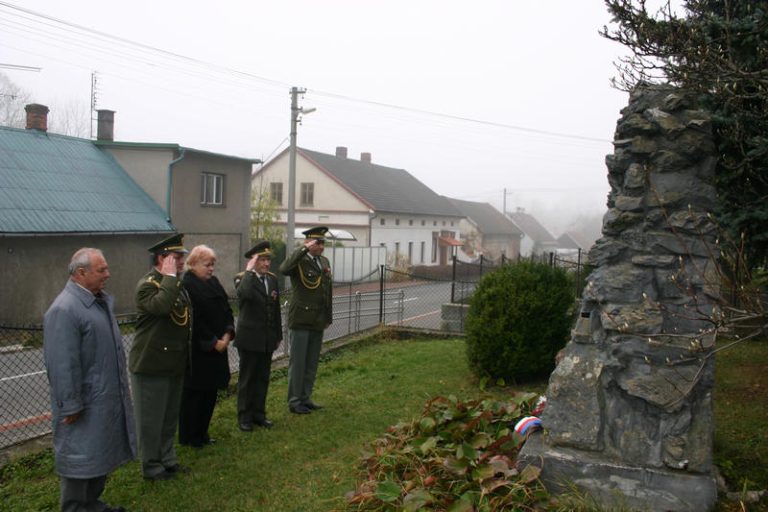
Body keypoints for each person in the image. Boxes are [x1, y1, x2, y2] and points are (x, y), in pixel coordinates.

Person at [43, 248, 135, 512]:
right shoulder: (65, 309)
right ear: (81, 273)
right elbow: (62, 364)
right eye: (101, 270)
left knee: (97, 457)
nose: (108, 274)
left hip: (101, 400)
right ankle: (75, 507)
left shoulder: (96, 302)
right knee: (79, 460)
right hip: (82, 405)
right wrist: (70, 405)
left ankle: (92, 505)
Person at [129, 233, 192, 481]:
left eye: (181, 257)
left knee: (168, 417)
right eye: (176, 257)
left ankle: (167, 459)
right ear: (162, 259)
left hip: (173, 362)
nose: (181, 262)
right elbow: (162, 307)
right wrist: (169, 277)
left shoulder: (173, 283)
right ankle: (151, 466)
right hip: (151, 364)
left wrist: (171, 279)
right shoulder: (148, 285)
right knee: (151, 421)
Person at [179, 245, 235, 446]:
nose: (211, 269)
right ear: (193, 264)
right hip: (200, 351)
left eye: (212, 265)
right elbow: (194, 320)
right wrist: (213, 342)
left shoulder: (214, 283)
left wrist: (228, 333)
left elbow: (227, 308)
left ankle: (202, 432)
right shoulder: (187, 285)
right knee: (195, 396)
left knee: (210, 394)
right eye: (206, 265)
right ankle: (189, 436)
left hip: (219, 346)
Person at [279, 226, 333, 414]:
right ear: (309, 243)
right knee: (299, 362)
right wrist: (303, 250)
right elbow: (284, 269)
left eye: (323, 243)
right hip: (301, 318)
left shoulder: (324, 261)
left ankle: (306, 397)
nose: (321, 247)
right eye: (318, 243)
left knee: (311, 362)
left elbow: (327, 291)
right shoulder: (299, 261)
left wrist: (328, 316)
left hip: (318, 318)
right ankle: (294, 401)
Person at [234, 240, 282, 430]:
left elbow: (276, 308)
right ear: (254, 261)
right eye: (262, 260)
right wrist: (248, 271)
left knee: (262, 377)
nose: (266, 264)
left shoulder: (271, 279)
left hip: (267, 338)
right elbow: (244, 295)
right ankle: (244, 417)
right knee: (247, 379)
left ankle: (259, 414)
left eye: (268, 260)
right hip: (249, 338)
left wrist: (278, 334)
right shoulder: (243, 278)